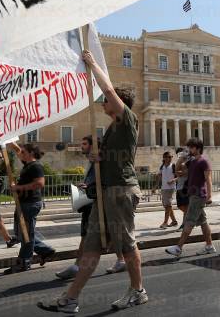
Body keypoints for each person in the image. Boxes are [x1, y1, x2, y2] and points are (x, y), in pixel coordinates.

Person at [40, 50, 146, 313]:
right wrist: (99, 157)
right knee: (92, 246)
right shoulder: (112, 128)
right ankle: (71, 298)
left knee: (127, 244)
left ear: (119, 103)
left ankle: (138, 291)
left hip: (121, 191)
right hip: (105, 191)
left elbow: (108, 89)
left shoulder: (128, 120)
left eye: (106, 101)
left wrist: (93, 63)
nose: (102, 103)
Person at [55, 136, 126, 280]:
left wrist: (89, 186)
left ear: (94, 146)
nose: (81, 146)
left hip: (98, 202)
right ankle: (120, 260)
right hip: (91, 201)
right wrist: (86, 185)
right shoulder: (92, 162)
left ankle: (78, 267)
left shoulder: (101, 162)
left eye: (84, 143)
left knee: (91, 235)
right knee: (93, 234)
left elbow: (105, 180)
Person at [5, 143, 56, 274]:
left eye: (23, 151)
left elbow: (39, 183)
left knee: (26, 234)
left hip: (30, 204)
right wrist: (9, 141)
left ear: (31, 153)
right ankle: (45, 251)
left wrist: (19, 188)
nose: (20, 153)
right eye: (21, 151)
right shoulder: (27, 164)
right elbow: (17, 150)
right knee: (20, 233)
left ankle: (24, 262)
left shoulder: (35, 166)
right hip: (23, 203)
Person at [166, 138, 216, 257]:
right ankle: (209, 246)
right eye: (189, 147)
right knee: (203, 222)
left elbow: (208, 179)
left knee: (189, 221)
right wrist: (182, 158)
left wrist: (209, 196)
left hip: (199, 195)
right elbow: (177, 171)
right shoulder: (192, 162)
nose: (189, 149)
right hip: (193, 195)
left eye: (191, 147)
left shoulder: (203, 162)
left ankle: (178, 248)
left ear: (198, 148)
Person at [158, 151, 178, 229]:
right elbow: (159, 177)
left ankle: (165, 222)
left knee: (168, 205)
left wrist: (173, 180)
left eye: (171, 157)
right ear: (164, 158)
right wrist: (155, 187)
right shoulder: (162, 166)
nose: (170, 158)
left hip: (171, 188)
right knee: (167, 206)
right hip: (164, 188)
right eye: (169, 157)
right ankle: (174, 221)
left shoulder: (173, 166)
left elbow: (178, 176)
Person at [174, 148, 190, 230]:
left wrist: (182, 172)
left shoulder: (188, 162)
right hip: (179, 186)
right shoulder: (180, 161)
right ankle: (190, 217)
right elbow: (176, 171)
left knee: (185, 206)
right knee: (180, 205)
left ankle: (184, 224)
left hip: (185, 186)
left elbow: (188, 171)